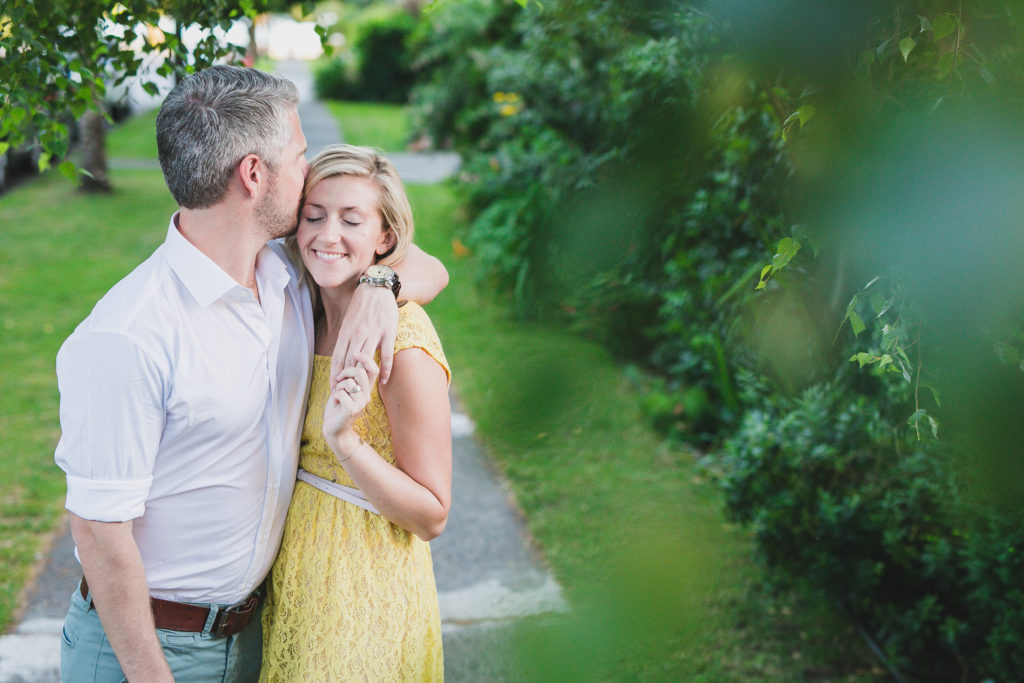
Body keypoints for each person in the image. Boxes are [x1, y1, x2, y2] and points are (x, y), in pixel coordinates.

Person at [54, 65, 447, 682]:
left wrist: (380, 283)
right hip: (150, 650)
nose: (307, 170)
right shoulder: (128, 336)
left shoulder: (287, 278)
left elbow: (413, 255)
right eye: (298, 155)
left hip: (260, 635)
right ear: (254, 175)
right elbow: (100, 534)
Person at [260, 144, 452, 681]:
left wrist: (348, 444)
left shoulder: (404, 343)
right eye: (313, 216)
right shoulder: (301, 302)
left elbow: (433, 513)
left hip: (366, 593)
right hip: (294, 582)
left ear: (385, 237)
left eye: (352, 220)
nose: (327, 235)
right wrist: (379, 280)